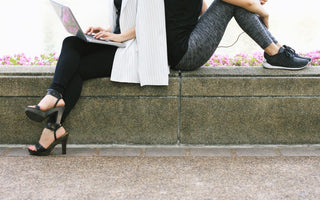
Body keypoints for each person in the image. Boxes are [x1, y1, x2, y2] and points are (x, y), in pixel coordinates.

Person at [25, 0, 169, 156]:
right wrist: (106, 31)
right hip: (121, 42)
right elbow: (125, 19)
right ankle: (53, 99)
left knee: (77, 68)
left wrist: (119, 37)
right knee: (71, 42)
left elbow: (150, 23)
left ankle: (52, 124)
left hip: (137, 49)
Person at [164, 0, 311, 71]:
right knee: (232, 3)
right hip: (185, 54)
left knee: (236, 3)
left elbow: (203, 10)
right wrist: (263, 12)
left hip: (179, 50)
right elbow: (245, 2)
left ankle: (278, 51)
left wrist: (211, 29)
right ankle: (275, 53)